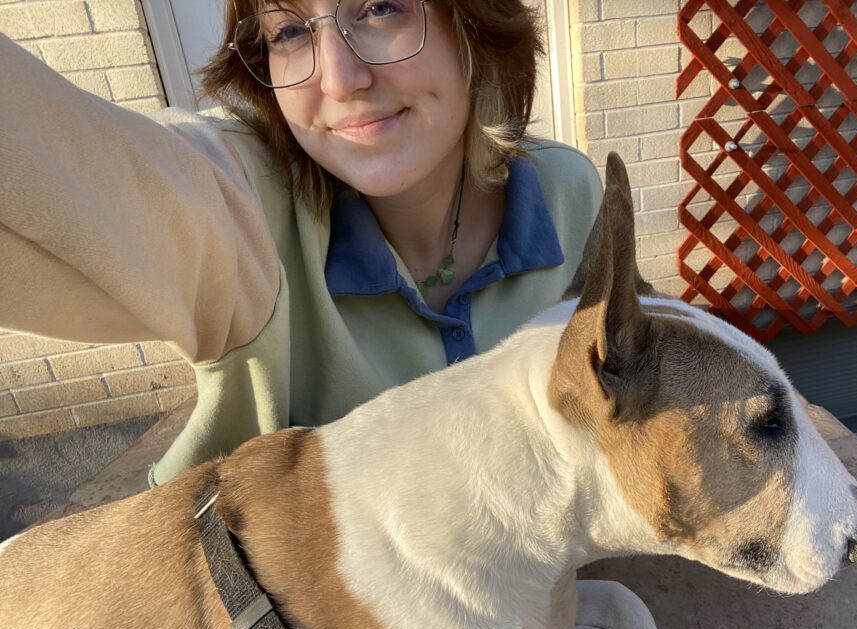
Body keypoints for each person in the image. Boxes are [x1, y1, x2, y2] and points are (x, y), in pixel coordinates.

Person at [0, 0, 602, 485]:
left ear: (473, 24)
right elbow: (74, 176)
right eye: (289, 31)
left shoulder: (565, 189)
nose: (339, 81)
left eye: (381, 9)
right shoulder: (245, 212)